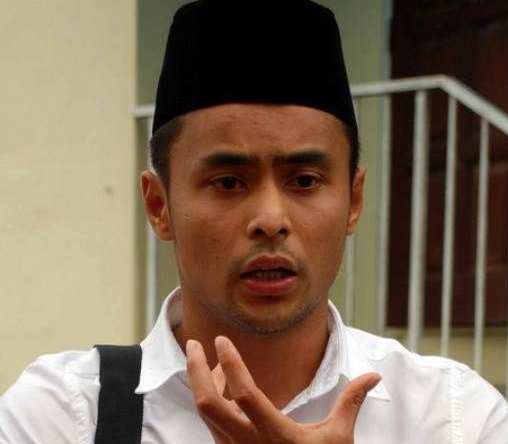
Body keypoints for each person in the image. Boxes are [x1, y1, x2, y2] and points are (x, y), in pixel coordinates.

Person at [1, 0, 507, 443]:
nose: (270, 219)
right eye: (228, 182)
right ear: (159, 206)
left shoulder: (451, 418)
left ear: (354, 200)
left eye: (304, 180)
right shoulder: (63, 417)